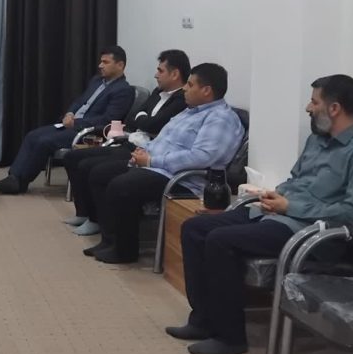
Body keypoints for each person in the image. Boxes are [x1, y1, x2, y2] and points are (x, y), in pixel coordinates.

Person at [166, 75, 353, 354]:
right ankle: (202, 320)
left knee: (221, 240)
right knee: (195, 228)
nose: (308, 108)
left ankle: (230, 337)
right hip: (275, 214)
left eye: (314, 102)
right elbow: (295, 180)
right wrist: (275, 196)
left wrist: (289, 207)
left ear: (334, 108)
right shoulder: (316, 140)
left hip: (310, 232)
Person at [83, 63, 244, 264]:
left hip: (184, 180)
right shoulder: (190, 112)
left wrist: (151, 160)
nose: (184, 89)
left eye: (190, 85)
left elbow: (202, 157)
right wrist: (144, 151)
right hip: (158, 167)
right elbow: (164, 140)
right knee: (100, 174)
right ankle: (109, 241)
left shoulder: (220, 118)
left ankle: (124, 250)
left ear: (206, 90)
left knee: (121, 186)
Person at [62, 49, 190, 236]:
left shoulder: (182, 100)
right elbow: (134, 118)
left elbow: (153, 124)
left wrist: (144, 119)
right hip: (130, 140)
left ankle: (96, 220)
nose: (156, 75)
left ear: (175, 74)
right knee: (72, 157)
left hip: (144, 149)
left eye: (160, 70)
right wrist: (144, 119)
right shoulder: (158, 92)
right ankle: (83, 212)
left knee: (90, 167)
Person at [0, 46, 135, 195]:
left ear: (120, 65)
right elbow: (80, 101)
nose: (100, 65)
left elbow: (107, 119)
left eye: (105, 62)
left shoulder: (123, 90)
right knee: (32, 135)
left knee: (44, 142)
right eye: (101, 61)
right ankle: (13, 177)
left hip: (88, 132)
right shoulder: (97, 81)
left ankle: (20, 181)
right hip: (72, 124)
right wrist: (70, 113)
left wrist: (76, 123)